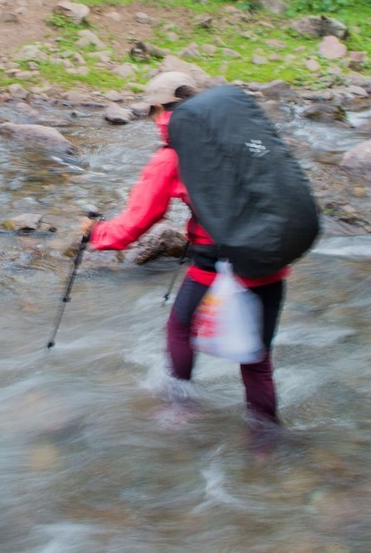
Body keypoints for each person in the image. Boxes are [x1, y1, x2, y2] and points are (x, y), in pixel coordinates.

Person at [78, 71, 289, 426]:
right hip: (270, 257)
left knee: (179, 328)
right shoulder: (235, 133)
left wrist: (95, 233)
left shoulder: (174, 153)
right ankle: (266, 444)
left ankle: (179, 409)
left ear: (160, 109)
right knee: (256, 359)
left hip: (217, 265)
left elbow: (135, 224)